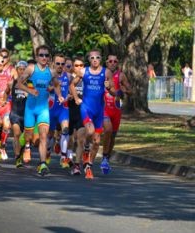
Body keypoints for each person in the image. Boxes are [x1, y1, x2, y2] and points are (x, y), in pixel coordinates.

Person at [17, 45, 63, 176]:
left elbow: (56, 84)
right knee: (29, 136)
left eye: (46, 55)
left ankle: (42, 164)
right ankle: (22, 147)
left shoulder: (51, 72)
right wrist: (30, 90)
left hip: (43, 109)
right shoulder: (31, 68)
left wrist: (59, 95)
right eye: (41, 55)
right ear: (37, 57)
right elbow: (19, 84)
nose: (44, 58)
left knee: (44, 136)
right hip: (30, 108)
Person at [70, 49, 115, 180]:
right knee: (89, 131)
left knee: (97, 142)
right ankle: (85, 150)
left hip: (99, 110)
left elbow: (113, 92)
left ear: (101, 59)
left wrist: (108, 88)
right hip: (86, 107)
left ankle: (88, 165)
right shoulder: (84, 71)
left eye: (97, 57)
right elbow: (72, 85)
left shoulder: (106, 72)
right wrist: (76, 98)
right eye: (92, 58)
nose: (95, 60)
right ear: (89, 60)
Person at [102, 55, 131, 174]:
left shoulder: (121, 75)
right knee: (107, 130)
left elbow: (131, 90)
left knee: (113, 136)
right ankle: (103, 156)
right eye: (110, 61)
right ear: (106, 62)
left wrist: (125, 90)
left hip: (116, 108)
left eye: (115, 61)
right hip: (103, 107)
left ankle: (106, 158)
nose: (113, 63)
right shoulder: (101, 73)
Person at [10, 61, 28, 167]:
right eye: (19, 69)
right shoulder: (12, 82)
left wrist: (28, 94)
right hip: (15, 113)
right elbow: (6, 91)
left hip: (26, 114)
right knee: (16, 134)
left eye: (23, 69)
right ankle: (17, 157)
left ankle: (20, 153)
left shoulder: (30, 83)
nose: (21, 71)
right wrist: (3, 100)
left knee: (25, 137)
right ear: (17, 70)